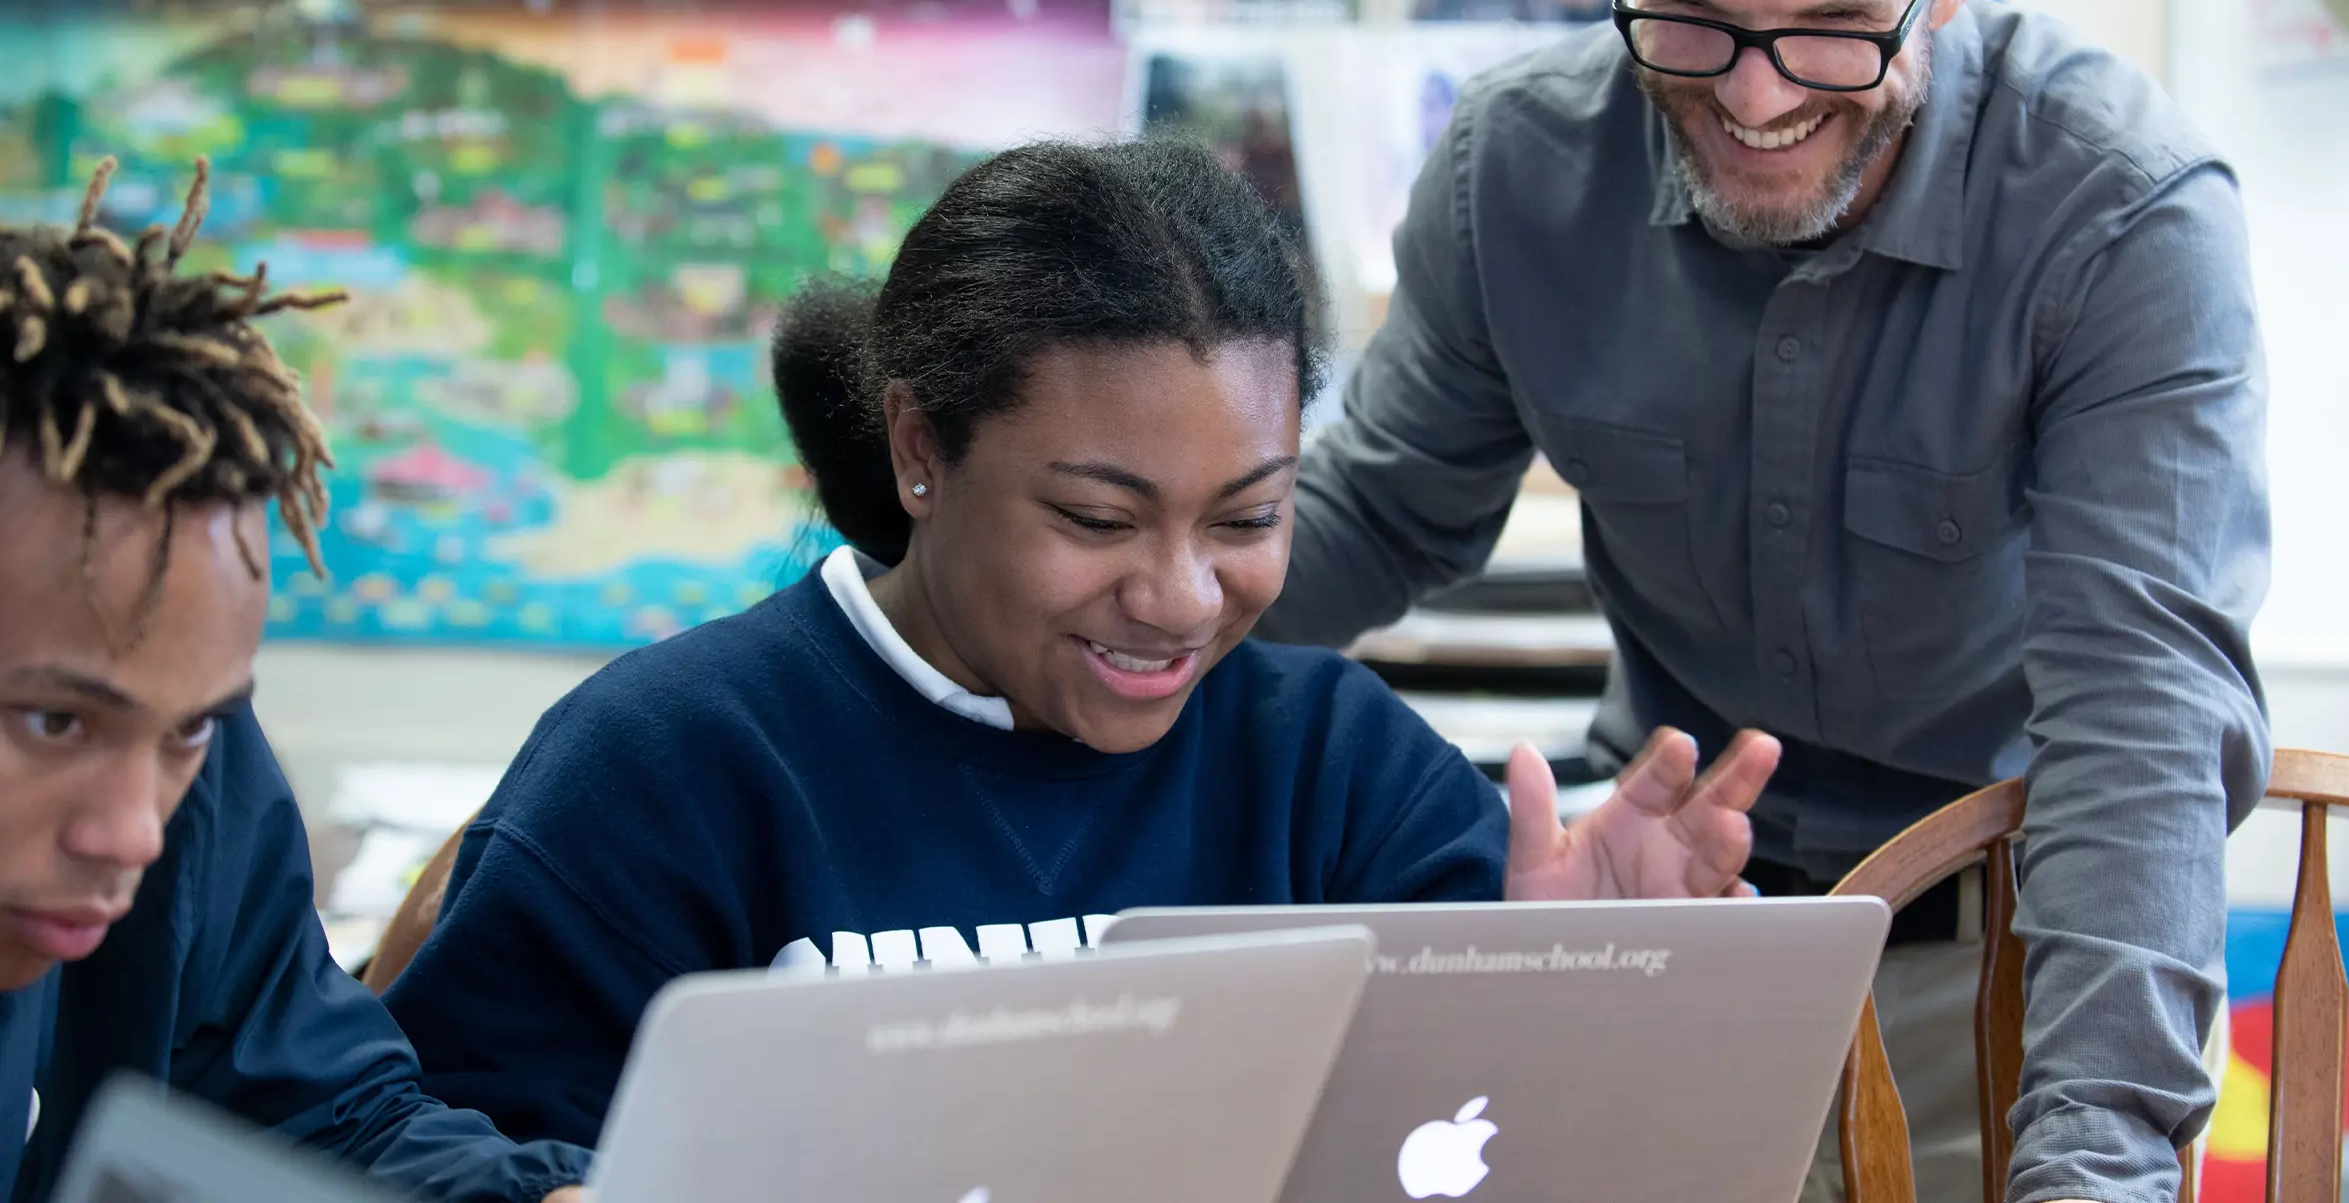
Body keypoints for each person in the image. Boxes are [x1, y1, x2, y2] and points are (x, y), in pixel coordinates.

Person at [1257, 0, 2270, 1201]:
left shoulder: (2119, 215)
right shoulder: (1518, 173)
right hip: (1660, 940)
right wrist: (1101, 616)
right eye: (1691, 19)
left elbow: (2144, 719)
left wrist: (2098, 1159)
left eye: (1835, 35)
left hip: (1997, 971)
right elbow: (1367, 518)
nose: (1752, 95)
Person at [382, 138, 1779, 1148]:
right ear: (922, 449)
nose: (1179, 598)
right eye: (1099, 518)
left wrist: (1571, 999)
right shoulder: (673, 766)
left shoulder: (1337, 770)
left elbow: (1480, 1159)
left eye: (1248, 515)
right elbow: (439, 1150)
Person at [0, 160, 588, 1202]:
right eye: (54, 722)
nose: (135, 833)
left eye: (186, 731)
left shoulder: (194, 780)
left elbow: (321, 1115)